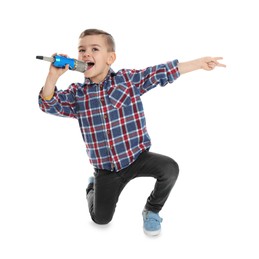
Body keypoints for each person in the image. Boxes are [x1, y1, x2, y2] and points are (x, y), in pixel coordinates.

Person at [38, 28, 226, 236]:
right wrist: (52, 77)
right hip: (107, 169)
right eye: (81, 50)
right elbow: (49, 104)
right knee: (101, 219)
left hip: (136, 157)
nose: (86, 54)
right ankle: (93, 188)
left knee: (170, 168)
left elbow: (160, 72)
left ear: (110, 58)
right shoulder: (77, 94)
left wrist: (198, 64)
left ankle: (152, 210)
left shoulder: (127, 80)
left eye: (94, 49)